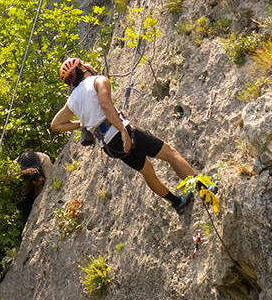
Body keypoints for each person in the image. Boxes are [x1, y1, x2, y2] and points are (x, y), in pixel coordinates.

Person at [50, 57, 204, 217]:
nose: (88, 64)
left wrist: (82, 123)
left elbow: (56, 125)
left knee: (147, 171)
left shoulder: (72, 102)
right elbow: (105, 106)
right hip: (120, 132)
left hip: (109, 146)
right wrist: (123, 131)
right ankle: (204, 188)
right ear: (81, 69)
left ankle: (177, 203)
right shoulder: (98, 81)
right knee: (170, 154)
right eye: (84, 64)